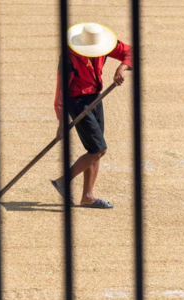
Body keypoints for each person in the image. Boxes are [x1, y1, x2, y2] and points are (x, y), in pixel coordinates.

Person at [51, 22, 132, 209]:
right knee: (98, 148)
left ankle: (87, 196)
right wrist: (62, 122)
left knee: (94, 149)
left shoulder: (105, 45)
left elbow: (131, 52)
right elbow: (61, 91)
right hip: (77, 101)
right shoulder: (69, 57)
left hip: (95, 98)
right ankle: (63, 181)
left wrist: (122, 68)